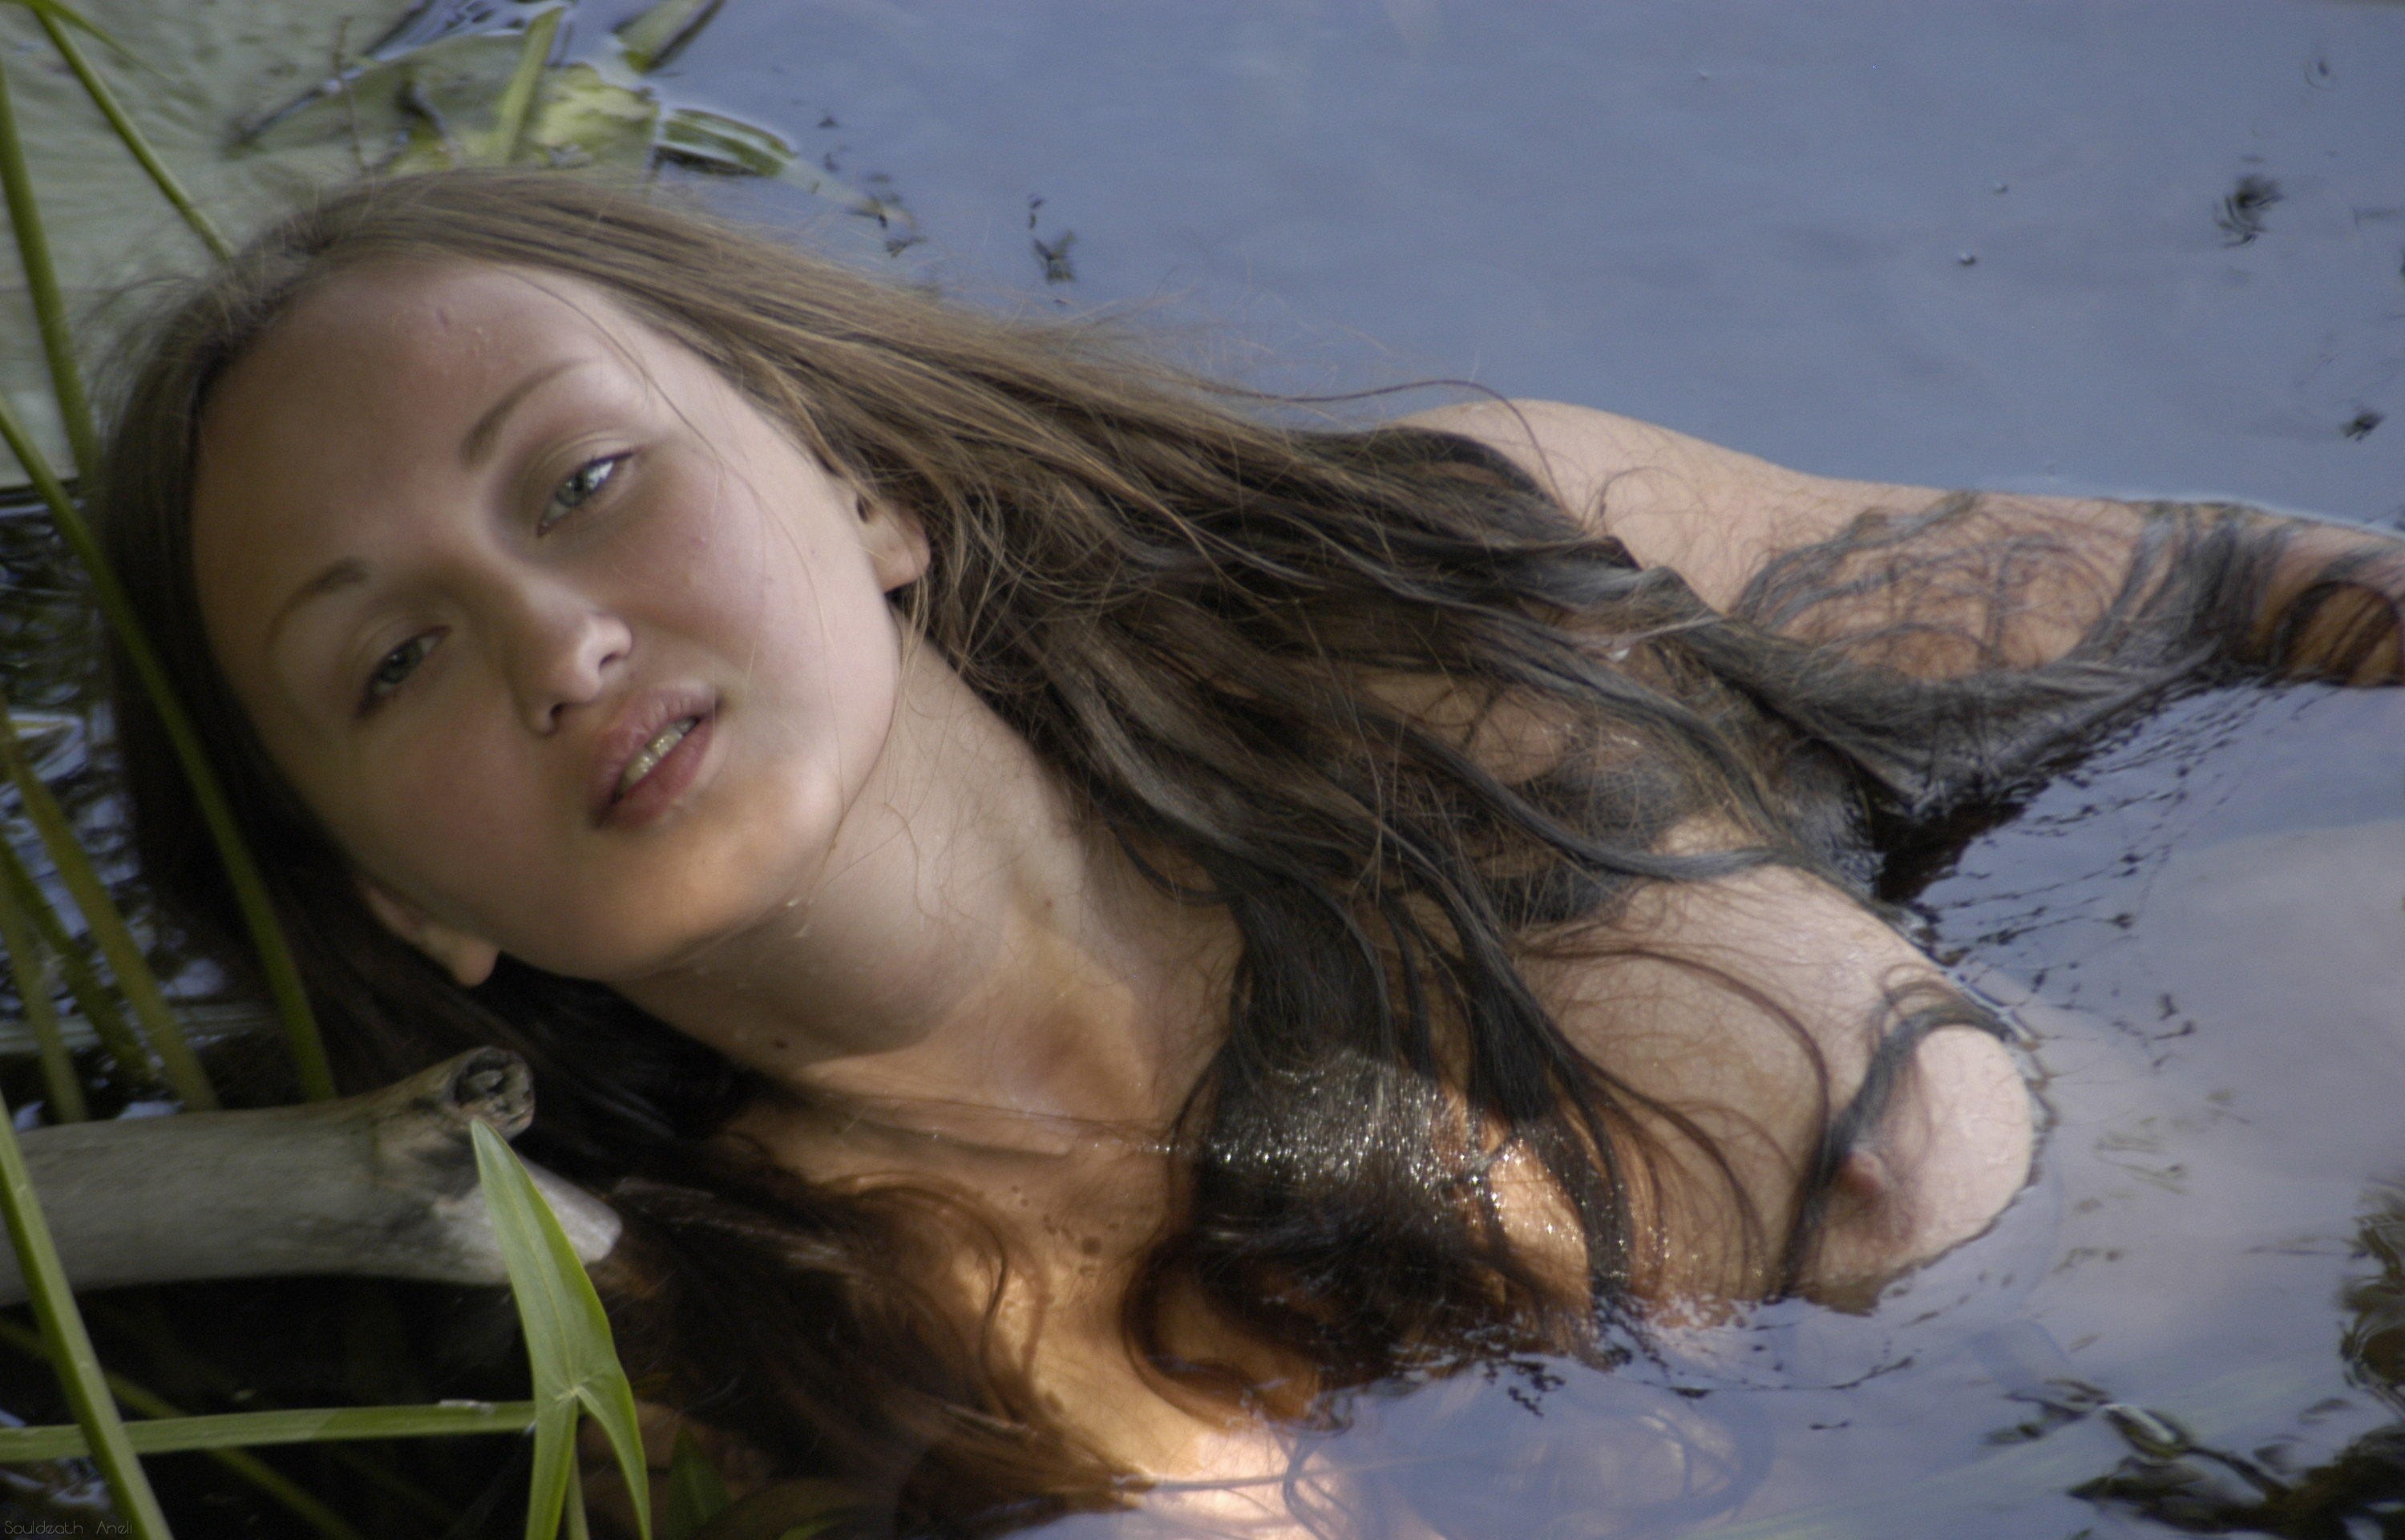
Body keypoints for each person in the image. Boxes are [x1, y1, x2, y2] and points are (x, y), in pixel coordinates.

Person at [91, 168, 2405, 1534]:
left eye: (583, 478)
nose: (558, 639)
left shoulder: (1454, 573)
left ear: (856, 483)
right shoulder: (754, 1370)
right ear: (400, 896)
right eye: (391, 659)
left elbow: (2248, 595)